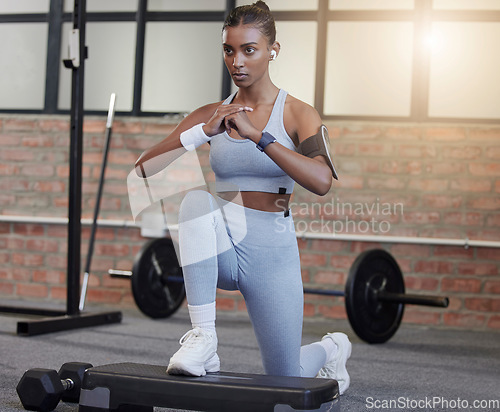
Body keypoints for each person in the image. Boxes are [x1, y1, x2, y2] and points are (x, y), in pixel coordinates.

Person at [135, 1, 352, 395]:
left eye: (249, 49)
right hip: (220, 245)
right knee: (195, 202)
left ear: (273, 50)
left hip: (272, 250)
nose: (237, 61)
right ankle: (203, 339)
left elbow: (322, 181)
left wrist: (259, 135)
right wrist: (203, 131)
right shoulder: (211, 113)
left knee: (284, 376)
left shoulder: (297, 113)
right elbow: (145, 169)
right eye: (229, 50)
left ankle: (331, 348)